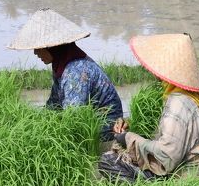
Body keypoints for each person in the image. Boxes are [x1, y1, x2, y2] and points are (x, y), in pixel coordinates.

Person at [100, 33, 199, 183]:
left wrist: (128, 138)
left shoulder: (177, 104)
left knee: (108, 161)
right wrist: (129, 127)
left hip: (188, 177)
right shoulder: (191, 96)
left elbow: (167, 158)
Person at [7, 8, 123, 141]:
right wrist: (34, 123)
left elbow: (73, 119)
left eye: (38, 48)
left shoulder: (76, 72)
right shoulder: (61, 65)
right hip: (89, 120)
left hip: (105, 128)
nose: (35, 53)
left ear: (52, 47)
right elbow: (54, 104)